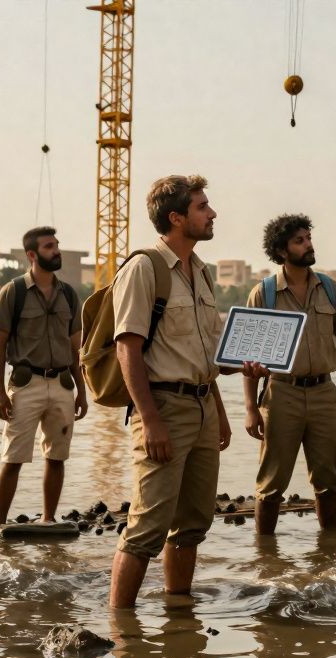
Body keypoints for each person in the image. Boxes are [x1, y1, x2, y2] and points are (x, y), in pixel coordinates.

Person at [108, 175, 259, 608]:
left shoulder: (202, 272)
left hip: (202, 406)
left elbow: (209, 353)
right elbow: (127, 349)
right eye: (202, 207)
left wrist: (228, 398)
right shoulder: (144, 268)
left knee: (193, 522)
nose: (212, 214)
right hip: (163, 408)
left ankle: (179, 614)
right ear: (176, 218)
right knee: (146, 526)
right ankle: (122, 629)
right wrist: (151, 420)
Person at [242, 214, 336, 535]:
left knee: (328, 483)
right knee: (271, 484)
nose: (309, 244)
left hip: (324, 394)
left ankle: (330, 551)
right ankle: (264, 559)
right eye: (300, 240)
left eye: (309, 238)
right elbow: (251, 358)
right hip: (281, 394)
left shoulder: (328, 288)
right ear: (282, 251)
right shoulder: (265, 294)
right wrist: (250, 409)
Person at [0, 226, 88, 527]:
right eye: (49, 246)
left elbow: (75, 350)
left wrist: (82, 391)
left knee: (57, 457)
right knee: (13, 457)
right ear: (32, 255)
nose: (56, 250)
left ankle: (48, 519)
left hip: (61, 385)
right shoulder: (13, 292)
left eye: (57, 245)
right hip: (25, 384)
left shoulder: (69, 295)